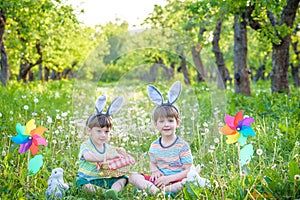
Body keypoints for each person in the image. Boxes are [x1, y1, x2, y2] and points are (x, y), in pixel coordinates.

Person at [129, 81, 193, 197]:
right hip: (159, 181)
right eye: (161, 121)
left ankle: (162, 191)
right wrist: (154, 171)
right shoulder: (154, 146)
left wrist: (169, 178)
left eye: (170, 120)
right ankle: (156, 191)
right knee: (133, 176)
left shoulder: (182, 146)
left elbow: (188, 170)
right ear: (155, 124)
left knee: (188, 181)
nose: (166, 125)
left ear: (177, 123)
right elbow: (153, 162)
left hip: (176, 179)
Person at [76, 95, 128, 200]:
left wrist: (122, 153)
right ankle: (104, 193)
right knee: (81, 183)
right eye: (99, 131)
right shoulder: (86, 145)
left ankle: (113, 191)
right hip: (89, 179)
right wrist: (107, 157)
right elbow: (88, 157)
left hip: (104, 179)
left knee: (123, 179)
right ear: (89, 131)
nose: (103, 135)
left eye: (106, 132)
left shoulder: (108, 147)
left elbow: (117, 159)